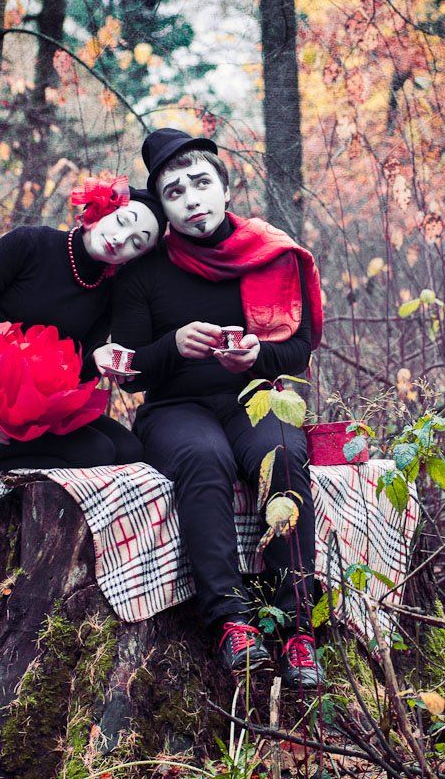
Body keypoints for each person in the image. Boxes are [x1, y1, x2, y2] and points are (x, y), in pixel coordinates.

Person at [111, 129, 326, 688]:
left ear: (225, 189)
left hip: (256, 398)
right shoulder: (145, 270)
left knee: (282, 455)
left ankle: (298, 630)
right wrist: (172, 346)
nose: (191, 200)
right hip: (174, 408)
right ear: (163, 207)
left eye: (201, 183)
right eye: (174, 192)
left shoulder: (268, 254)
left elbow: (300, 346)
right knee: (205, 459)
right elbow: (129, 369)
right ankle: (232, 622)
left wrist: (258, 356)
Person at [0, 175, 162, 489]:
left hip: (45, 413)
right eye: (122, 221)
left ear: (135, 258)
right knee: (97, 452)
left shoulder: (106, 290)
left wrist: (96, 361)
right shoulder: (27, 245)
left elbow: (74, 376)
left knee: (130, 451)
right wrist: (1, 402)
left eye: (136, 243)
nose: (121, 238)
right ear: (103, 209)